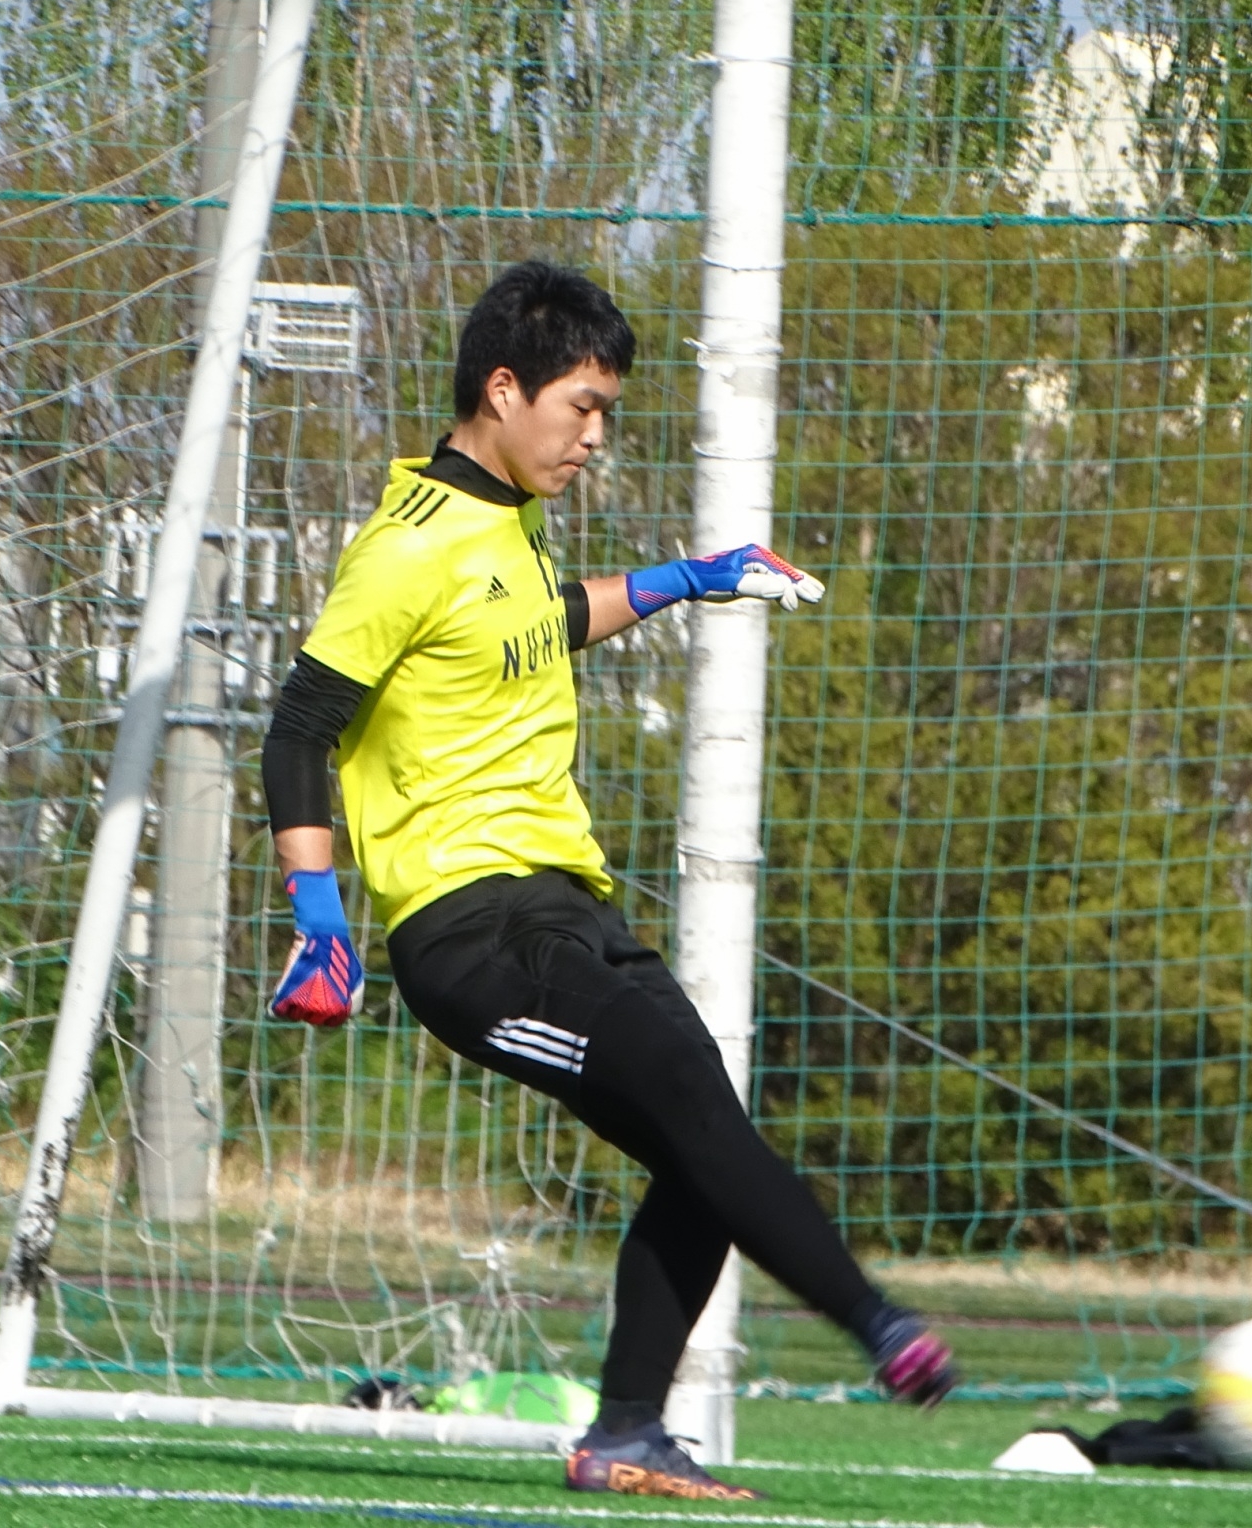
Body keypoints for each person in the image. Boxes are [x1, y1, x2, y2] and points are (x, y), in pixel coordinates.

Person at [259, 260, 956, 1501]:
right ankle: (878, 1324)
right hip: (470, 941)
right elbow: (299, 727)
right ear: (503, 389)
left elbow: (540, 623)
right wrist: (320, 921)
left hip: (562, 912)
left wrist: (688, 578)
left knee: (706, 1139)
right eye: (581, 407)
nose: (593, 437)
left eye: (604, 413)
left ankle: (627, 1431)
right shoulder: (404, 548)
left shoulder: (508, 525)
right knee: (692, 1103)